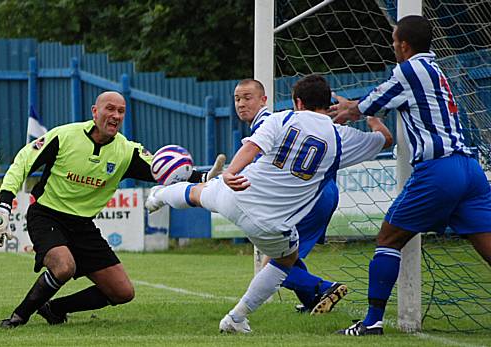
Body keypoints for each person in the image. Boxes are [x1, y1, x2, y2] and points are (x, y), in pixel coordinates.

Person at [146, 74, 392, 333]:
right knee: (285, 261)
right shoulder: (341, 138)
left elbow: (252, 147)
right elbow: (385, 139)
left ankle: (157, 196)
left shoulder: (281, 117)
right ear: (329, 103)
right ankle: (236, 317)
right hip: (270, 221)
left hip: (238, 192)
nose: (241, 103)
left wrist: (231, 172)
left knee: (196, 193)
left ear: (297, 102)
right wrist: (368, 114)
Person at [0, 91, 225, 328]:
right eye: (110, 108)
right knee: (64, 266)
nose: (116, 115)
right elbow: (22, 163)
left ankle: (54, 308)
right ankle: (18, 317)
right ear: (95, 111)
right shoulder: (65, 136)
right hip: (47, 214)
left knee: (122, 292)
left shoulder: (126, 151)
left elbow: (164, 171)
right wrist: (4, 203)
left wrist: (204, 176)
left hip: (83, 225)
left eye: (121, 111)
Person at [331, 15, 491, 336]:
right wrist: (357, 106)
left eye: (393, 42)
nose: (393, 48)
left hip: (440, 169)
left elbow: (369, 105)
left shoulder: (408, 70)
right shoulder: (436, 69)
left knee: (389, 238)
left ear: (403, 44)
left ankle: (372, 321)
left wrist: (345, 110)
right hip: (470, 169)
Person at [235, 78, 345, 315]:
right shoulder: (278, 122)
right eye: (237, 99)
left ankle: (324, 287)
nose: (241, 104)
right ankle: (312, 301)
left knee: (273, 265)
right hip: (320, 191)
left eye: (247, 98)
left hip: (308, 195)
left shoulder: (268, 122)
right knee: (286, 254)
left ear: (263, 100)